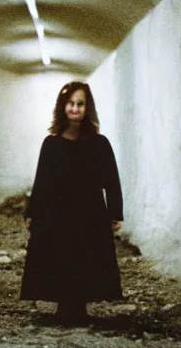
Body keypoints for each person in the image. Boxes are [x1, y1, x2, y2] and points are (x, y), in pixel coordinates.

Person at [20, 81, 124, 324]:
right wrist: (32, 213)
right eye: (71, 104)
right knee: (59, 255)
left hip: (89, 213)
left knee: (85, 256)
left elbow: (112, 180)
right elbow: (41, 181)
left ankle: (79, 306)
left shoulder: (99, 144)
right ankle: (64, 306)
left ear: (88, 108)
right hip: (57, 214)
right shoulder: (52, 144)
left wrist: (115, 212)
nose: (75, 108)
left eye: (80, 104)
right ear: (62, 107)